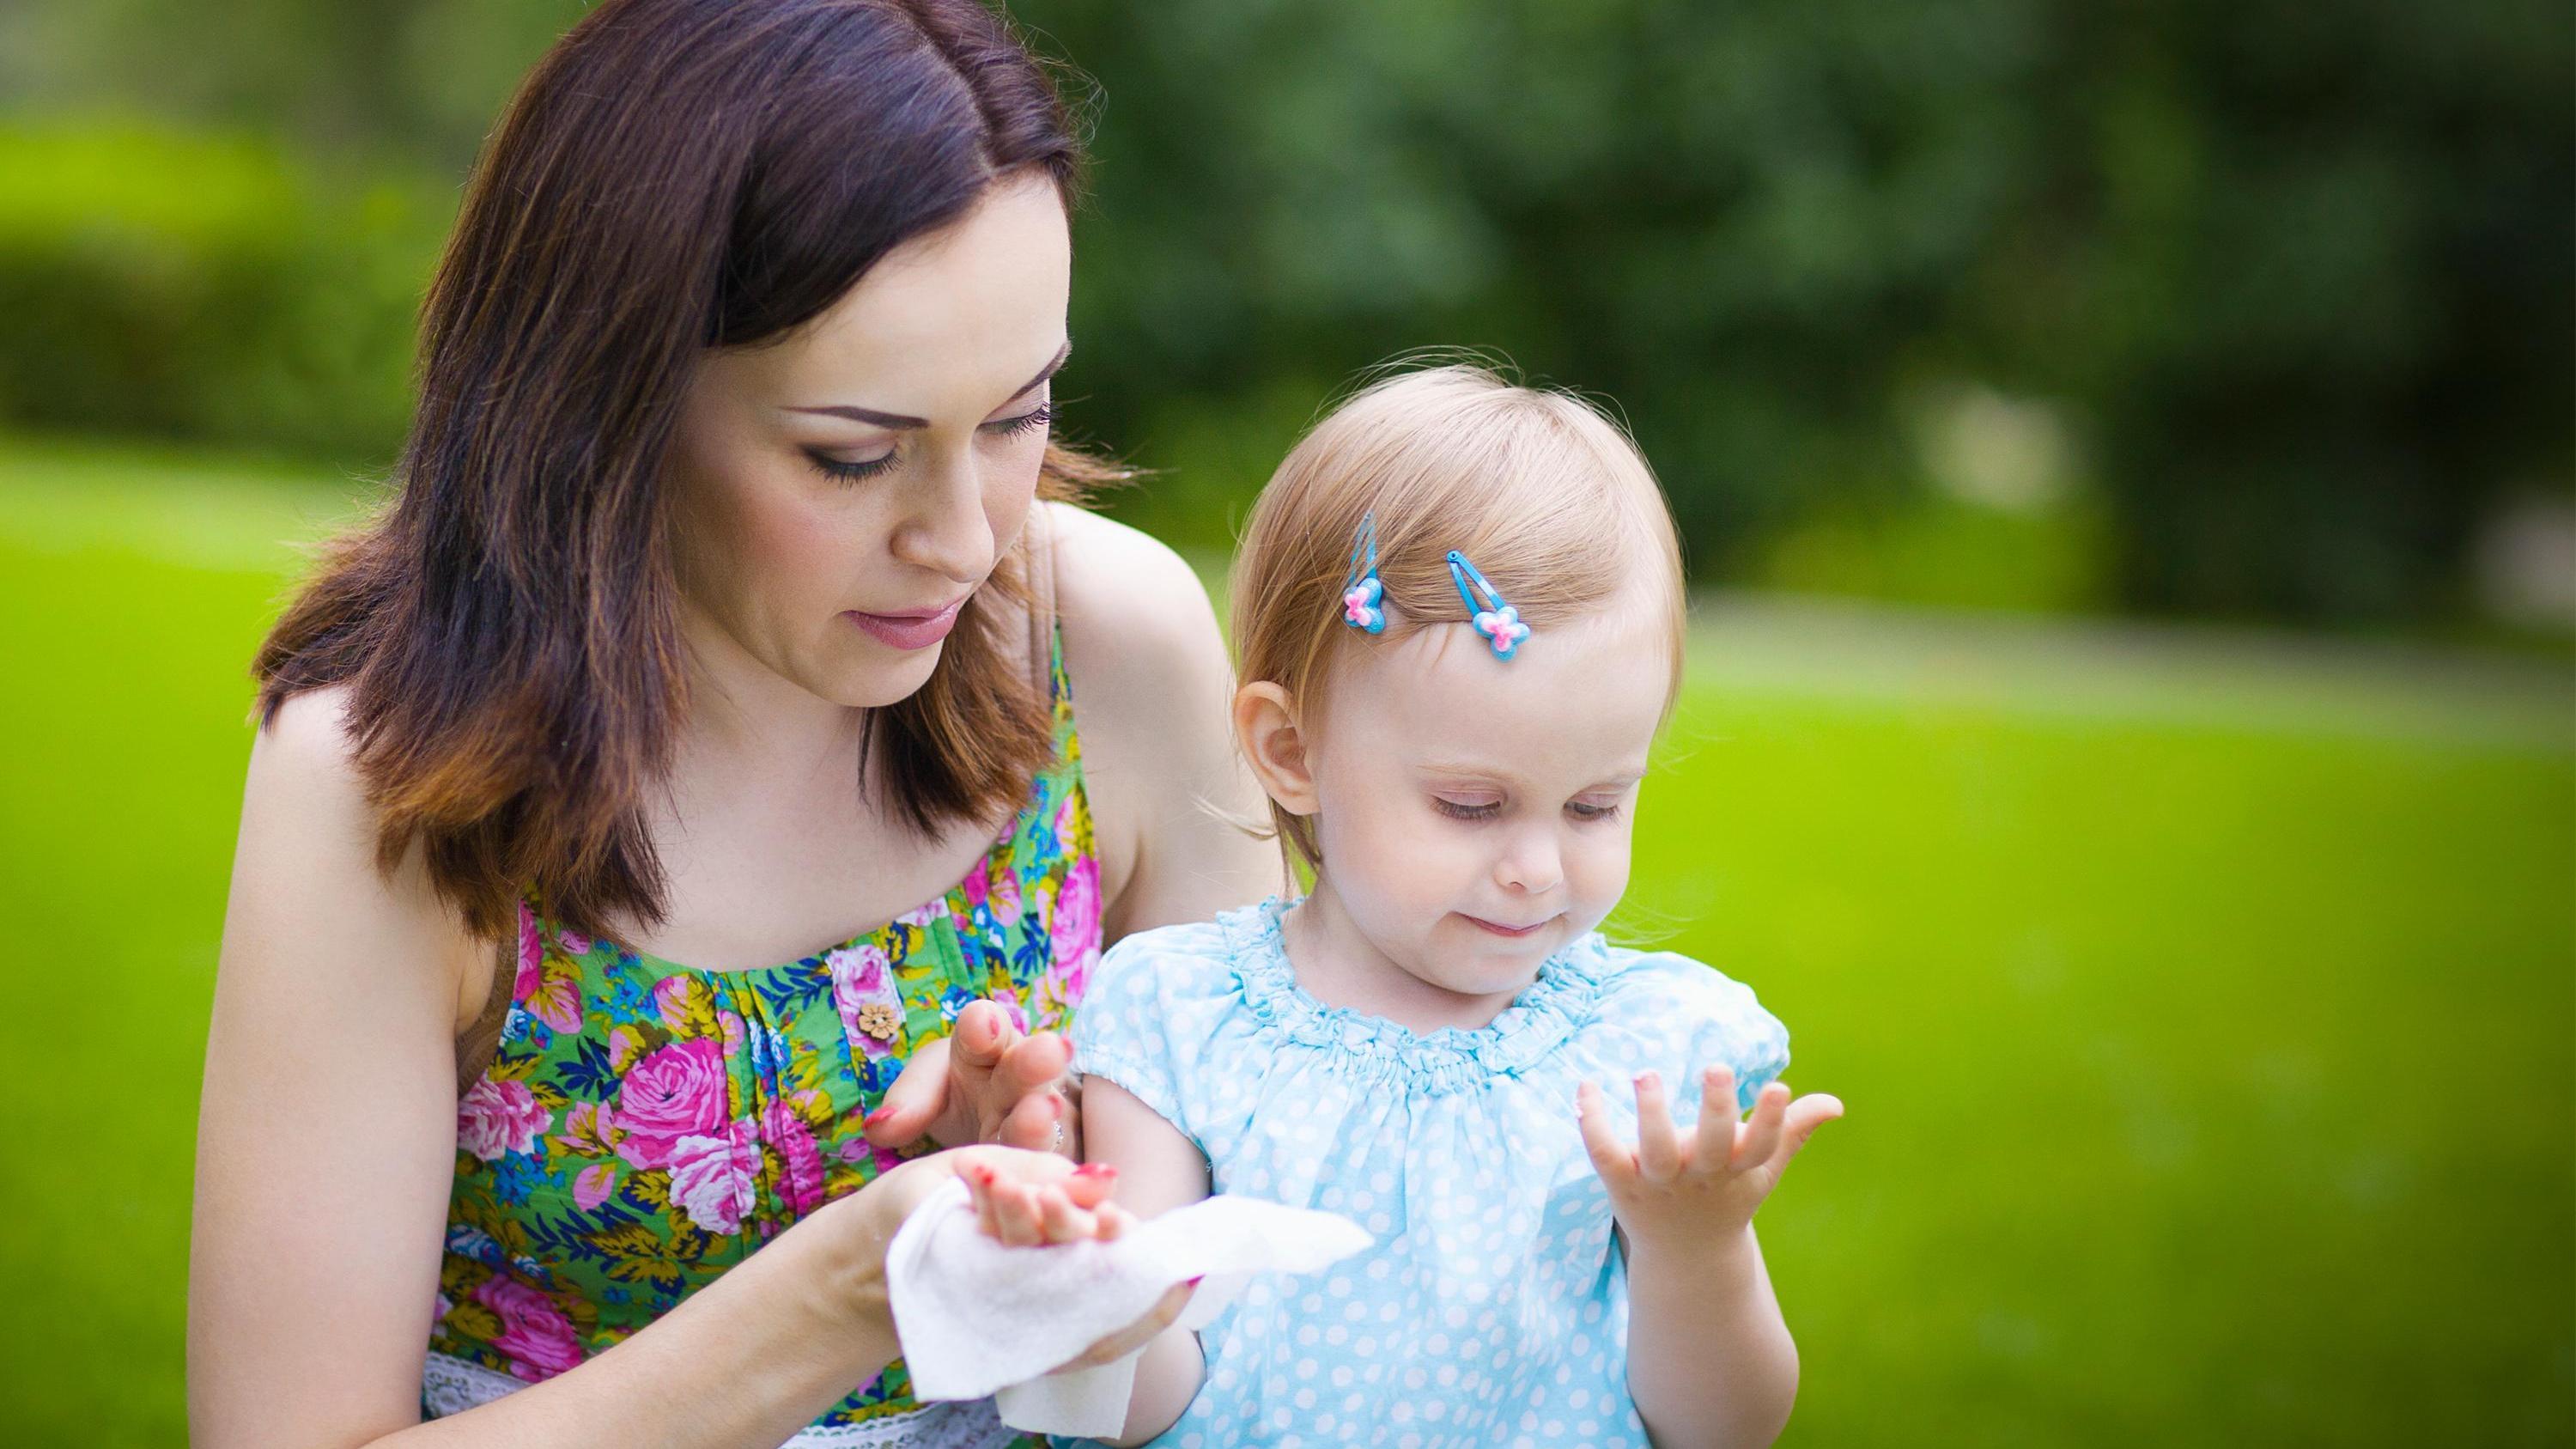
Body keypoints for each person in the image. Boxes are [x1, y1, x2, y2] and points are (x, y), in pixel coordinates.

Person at [186, 2, 1275, 1445]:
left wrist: (1061, 1213)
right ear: (612, 400)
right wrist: (854, 1291)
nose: (962, 539)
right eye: (853, 455)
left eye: (1018, 414)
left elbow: (1256, 1334)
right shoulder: (392, 773)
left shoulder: (1109, 647)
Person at [961, 364, 1844, 1446]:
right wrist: (1082, 1277)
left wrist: (1697, 1249)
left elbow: (1727, 1430)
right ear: (1290, 753)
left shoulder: (1641, 1055)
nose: (1538, 867)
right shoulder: (1179, 1017)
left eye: (1595, 803)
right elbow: (1139, 1413)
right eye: (1472, 806)